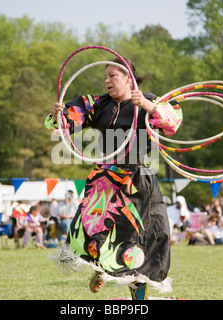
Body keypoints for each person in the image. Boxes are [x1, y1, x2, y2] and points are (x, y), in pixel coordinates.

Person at [45, 57, 182, 299]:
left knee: (141, 238)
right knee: (93, 229)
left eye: (113, 76)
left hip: (138, 182)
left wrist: (149, 108)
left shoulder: (149, 101)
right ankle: (102, 267)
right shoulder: (97, 104)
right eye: (105, 76)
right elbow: (64, 122)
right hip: (104, 181)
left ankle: (136, 294)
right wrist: (58, 115)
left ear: (129, 78)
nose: (107, 81)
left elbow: (173, 124)